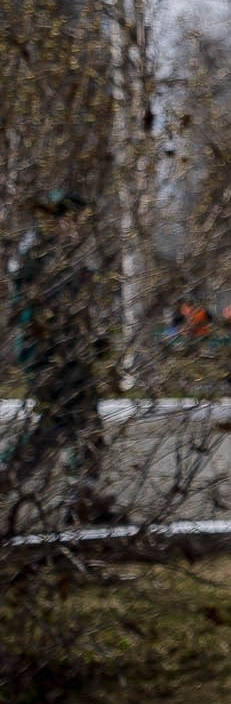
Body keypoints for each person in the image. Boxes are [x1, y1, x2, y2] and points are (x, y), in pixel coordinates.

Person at [7, 189, 116, 522]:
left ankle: (80, 501)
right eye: (77, 221)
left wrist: (93, 338)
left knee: (84, 426)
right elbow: (43, 301)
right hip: (48, 354)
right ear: (62, 218)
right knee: (55, 427)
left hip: (67, 352)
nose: (82, 229)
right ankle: (71, 498)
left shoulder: (58, 252)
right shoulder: (38, 252)